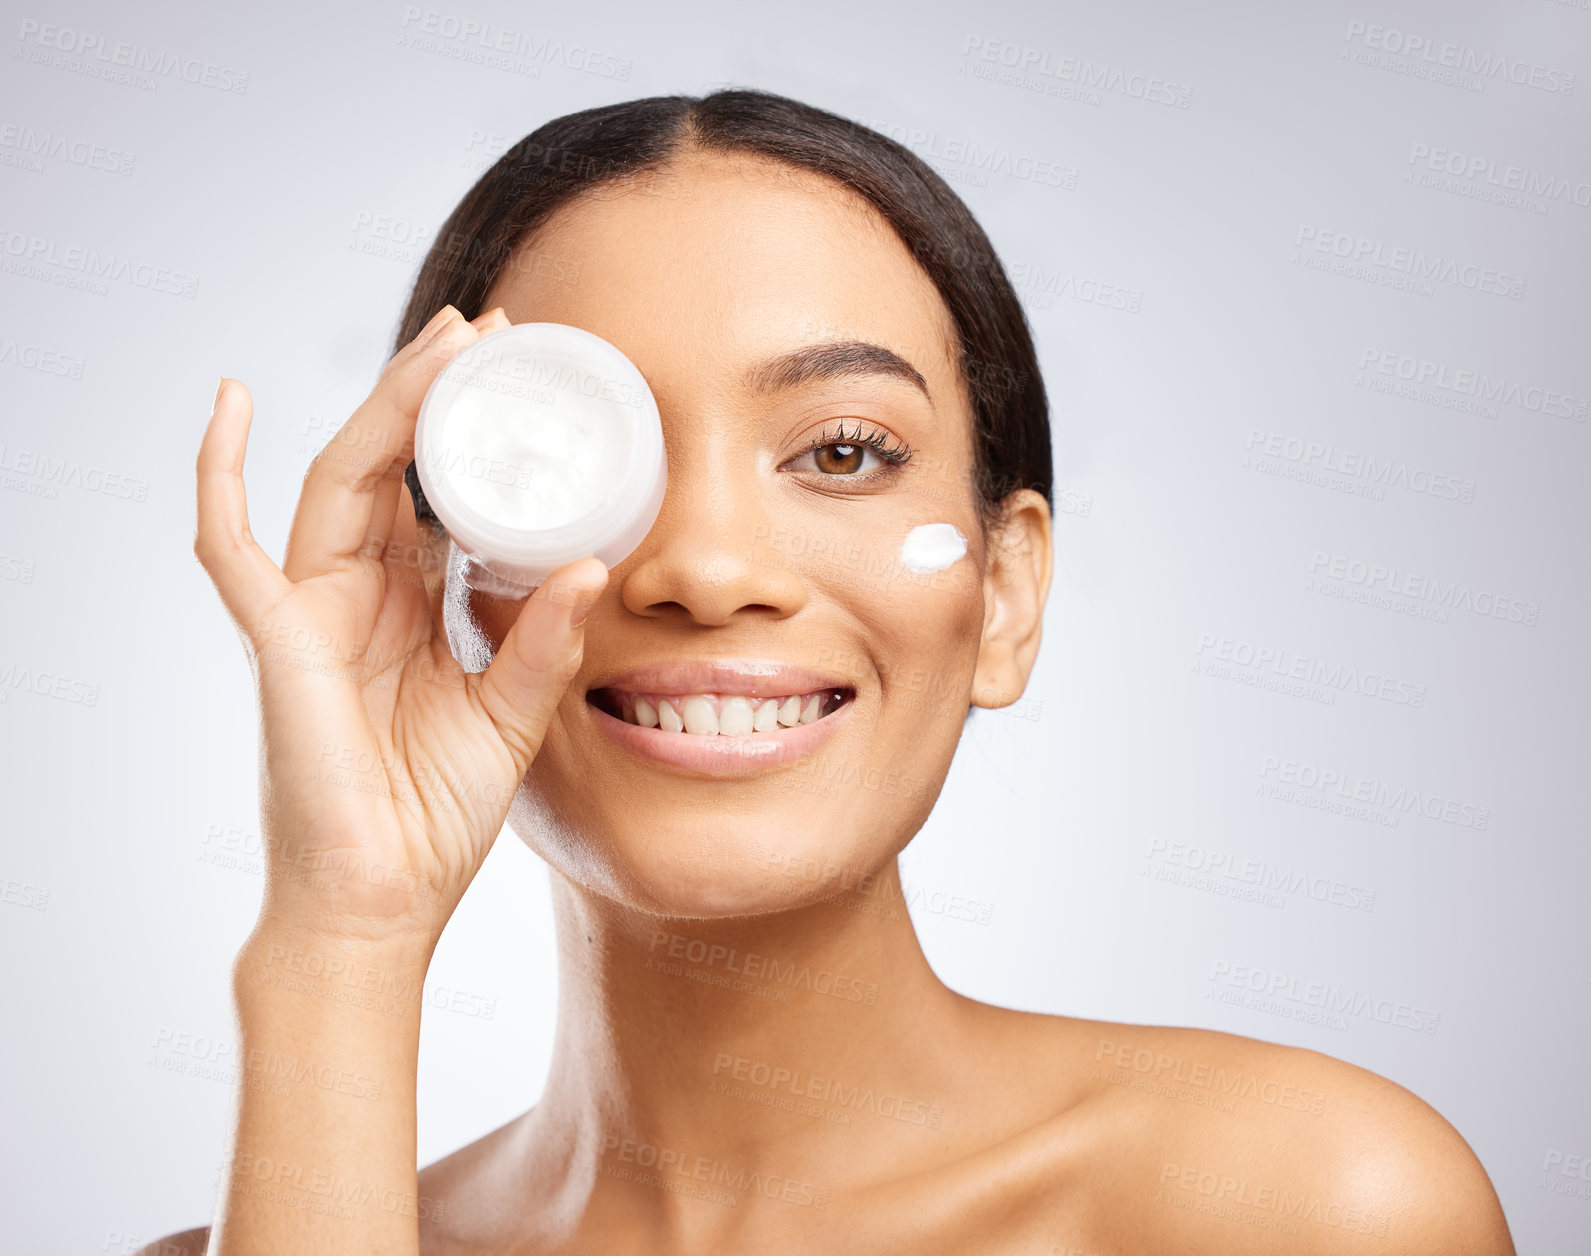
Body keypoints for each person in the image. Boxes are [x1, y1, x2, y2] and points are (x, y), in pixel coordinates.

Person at [149, 89, 1514, 1255]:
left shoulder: (1295, 1208)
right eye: (575, 455)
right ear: (429, 569)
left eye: (843, 450)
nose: (704, 563)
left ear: (1008, 595)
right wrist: (341, 949)